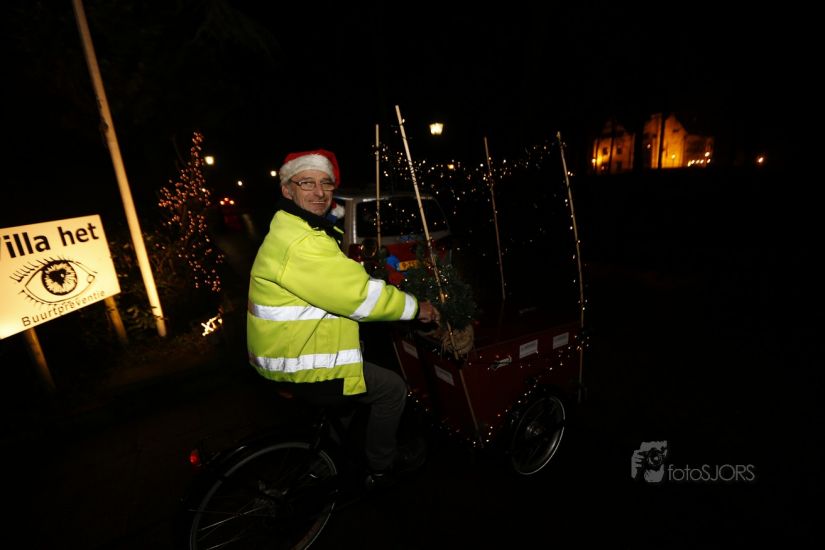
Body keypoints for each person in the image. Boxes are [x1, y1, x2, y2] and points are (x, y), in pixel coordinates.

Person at [246, 148, 439, 489]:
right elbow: (359, 297)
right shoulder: (301, 241)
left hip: (287, 353)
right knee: (392, 389)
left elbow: (332, 281)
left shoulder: (291, 226)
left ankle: (325, 462)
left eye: (326, 183)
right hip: (302, 363)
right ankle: (382, 466)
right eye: (307, 183)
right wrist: (416, 308)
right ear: (287, 189)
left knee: (349, 401)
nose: (320, 192)